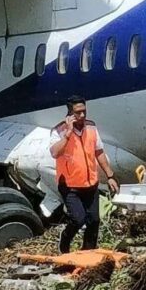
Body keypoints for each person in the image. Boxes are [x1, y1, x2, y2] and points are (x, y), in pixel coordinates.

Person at [50, 95, 119, 254]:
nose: (82, 115)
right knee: (78, 219)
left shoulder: (91, 128)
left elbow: (99, 151)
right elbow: (54, 152)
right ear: (69, 114)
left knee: (94, 220)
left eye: (84, 111)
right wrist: (67, 134)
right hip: (70, 185)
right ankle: (64, 243)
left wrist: (110, 176)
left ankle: (89, 251)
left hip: (90, 183)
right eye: (78, 113)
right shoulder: (59, 131)